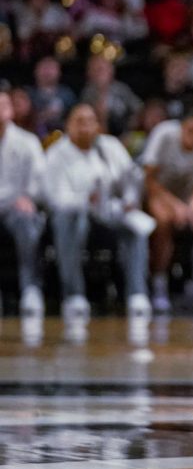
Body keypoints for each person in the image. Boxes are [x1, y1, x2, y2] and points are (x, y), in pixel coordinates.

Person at [42, 103, 152, 326]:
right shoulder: (57, 154)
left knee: (136, 227)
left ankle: (137, 294)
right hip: (76, 218)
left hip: (109, 215)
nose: (85, 127)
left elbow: (130, 178)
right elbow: (54, 200)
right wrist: (85, 200)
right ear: (68, 125)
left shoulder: (109, 146)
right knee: (72, 221)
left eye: (90, 121)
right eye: (79, 121)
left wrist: (130, 200)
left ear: (97, 125)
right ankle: (74, 294)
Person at [141, 103, 193, 314]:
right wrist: (177, 206)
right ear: (180, 127)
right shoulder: (163, 135)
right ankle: (159, 287)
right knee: (163, 222)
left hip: (191, 193)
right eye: (189, 130)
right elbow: (149, 180)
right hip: (160, 191)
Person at [0, 85, 46, 320]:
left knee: (28, 222)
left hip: (14, 209)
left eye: (3, 106)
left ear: (11, 111)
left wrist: (28, 197)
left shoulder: (27, 141)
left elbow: (39, 180)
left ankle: (30, 288)